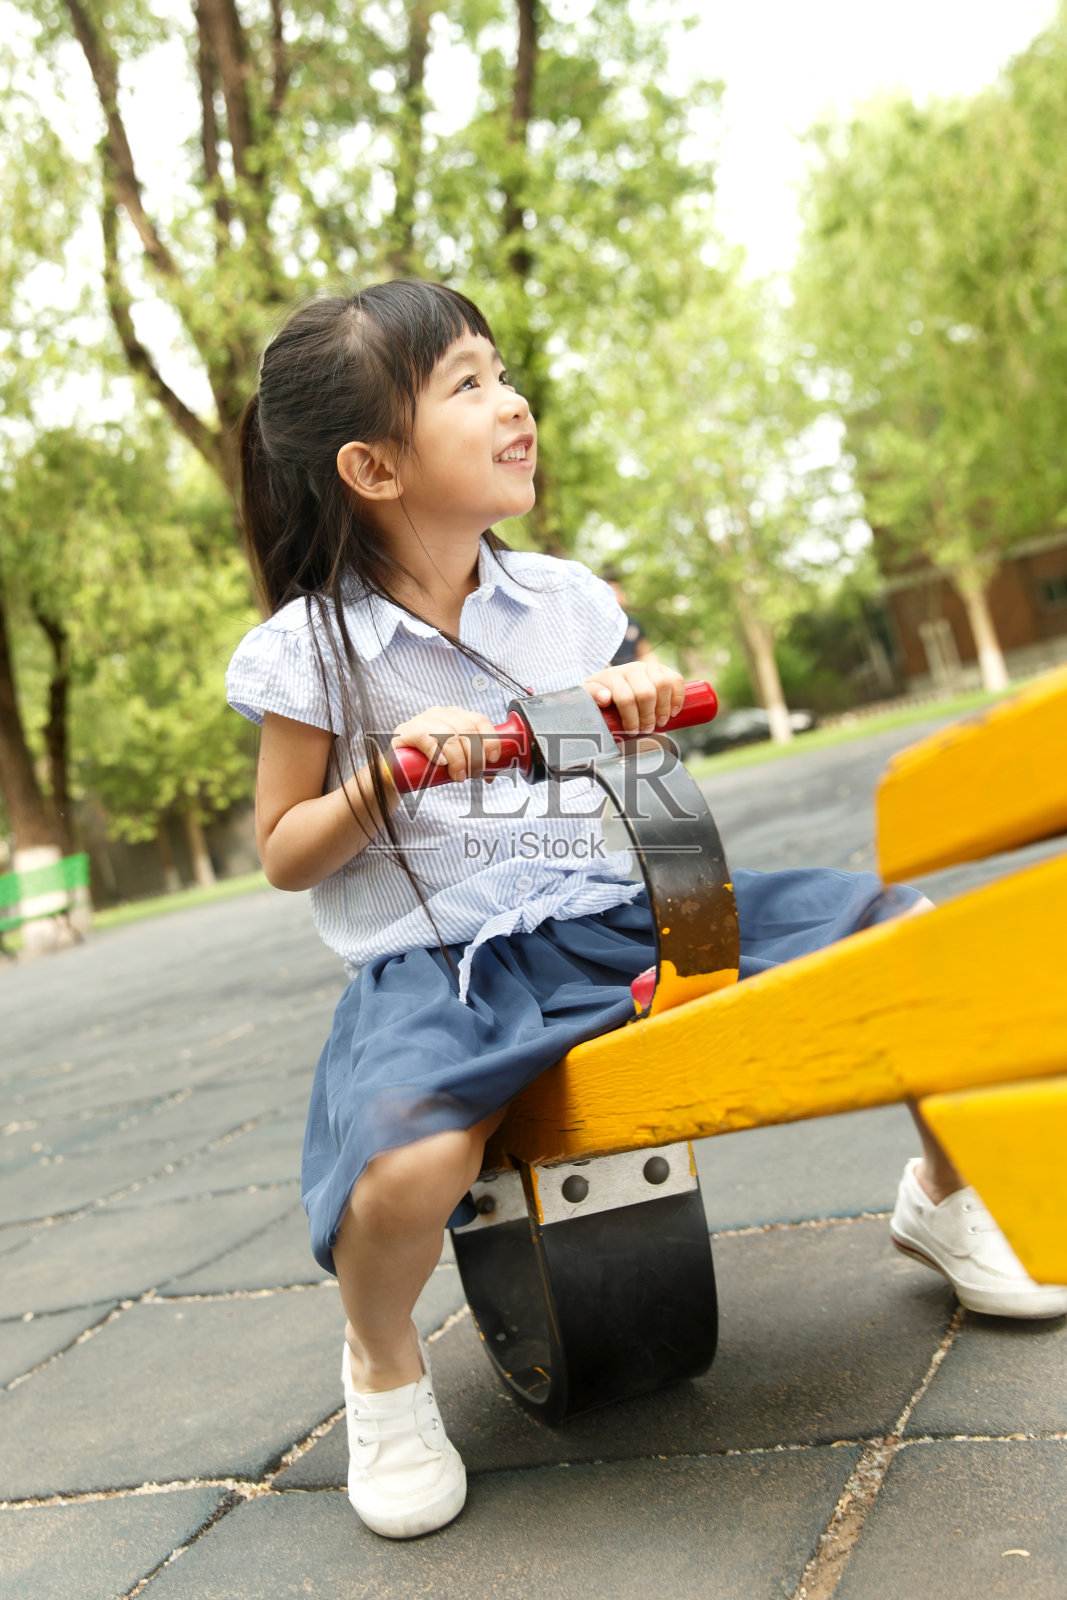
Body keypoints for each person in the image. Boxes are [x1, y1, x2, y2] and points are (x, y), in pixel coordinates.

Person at [226, 281, 1066, 1542]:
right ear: (370, 464)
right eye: (467, 385)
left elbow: (648, 738)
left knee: (910, 940)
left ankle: (940, 1199)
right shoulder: (312, 651)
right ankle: (383, 1365)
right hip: (450, 969)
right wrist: (388, 772)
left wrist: (643, 698)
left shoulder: (563, 598)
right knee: (403, 1168)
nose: (512, 404)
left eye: (502, 374)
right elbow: (287, 851)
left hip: (615, 911)